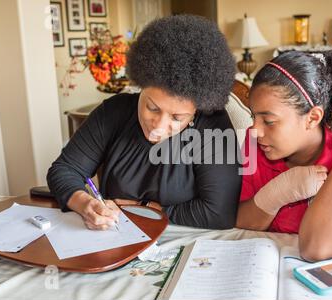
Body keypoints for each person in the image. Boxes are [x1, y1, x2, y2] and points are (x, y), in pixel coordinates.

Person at [47, 15, 241, 231]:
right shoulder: (114, 112)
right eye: (152, 108)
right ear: (141, 85)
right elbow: (64, 170)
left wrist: (143, 208)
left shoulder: (213, 125)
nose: (158, 126)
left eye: (177, 118)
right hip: (116, 239)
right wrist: (86, 204)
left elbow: (219, 213)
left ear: (197, 110)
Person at [236, 50, 332, 262]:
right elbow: (241, 221)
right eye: (253, 116)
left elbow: (317, 249)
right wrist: (278, 193)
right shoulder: (257, 143)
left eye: (269, 121)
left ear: (312, 117)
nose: (255, 130)